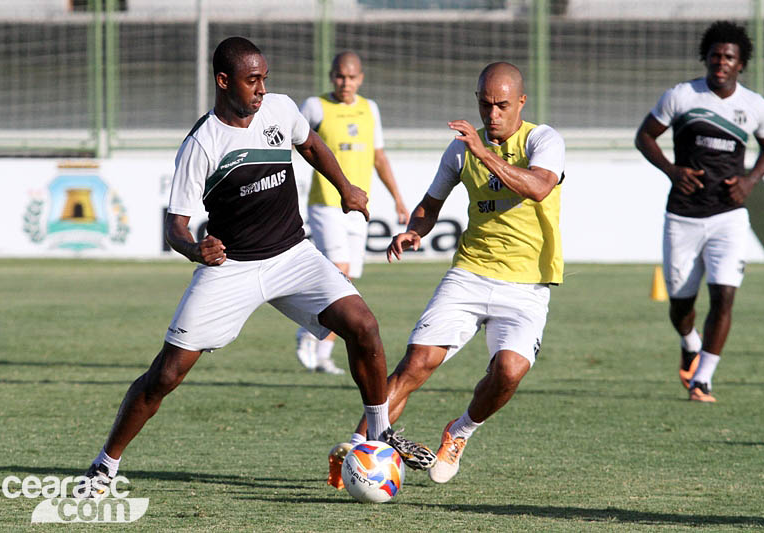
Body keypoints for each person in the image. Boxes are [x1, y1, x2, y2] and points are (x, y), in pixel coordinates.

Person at [79, 36, 433, 495]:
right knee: (165, 375)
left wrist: (345, 187)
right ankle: (104, 465)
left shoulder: (280, 110)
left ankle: (380, 431)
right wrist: (194, 249)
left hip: (293, 255)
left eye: (265, 78)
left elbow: (312, 146)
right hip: (232, 267)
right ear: (224, 81)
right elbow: (176, 227)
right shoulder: (201, 143)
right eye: (252, 80)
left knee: (363, 325)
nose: (262, 88)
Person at [326, 61, 566, 488]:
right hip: (470, 274)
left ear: (521, 103)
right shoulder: (460, 150)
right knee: (415, 364)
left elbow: (538, 187)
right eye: (485, 104)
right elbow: (430, 204)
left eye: (502, 106)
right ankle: (358, 448)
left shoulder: (543, 139)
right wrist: (414, 231)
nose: (492, 114)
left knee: (509, 371)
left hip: (528, 285)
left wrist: (484, 153)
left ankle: (459, 433)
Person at [635, 21, 764, 403]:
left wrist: (750, 182)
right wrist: (671, 170)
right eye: (715, 55)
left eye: (729, 57)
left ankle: (703, 378)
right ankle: (689, 341)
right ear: (706, 57)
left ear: (741, 63)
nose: (721, 62)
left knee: (724, 295)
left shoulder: (756, 107)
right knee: (681, 304)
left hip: (728, 216)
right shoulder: (681, 96)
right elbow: (644, 136)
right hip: (682, 215)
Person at [295, 51, 410, 375]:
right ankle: (306, 332)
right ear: (332, 76)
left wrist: (398, 199)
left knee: (347, 282)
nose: (345, 83)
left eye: (352, 77)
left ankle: (323, 353)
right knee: (339, 270)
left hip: (359, 205)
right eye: (340, 76)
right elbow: (291, 147)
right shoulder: (315, 106)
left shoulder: (369, 108)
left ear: (361, 78)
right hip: (326, 203)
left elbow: (379, 157)